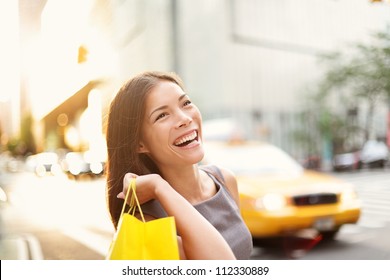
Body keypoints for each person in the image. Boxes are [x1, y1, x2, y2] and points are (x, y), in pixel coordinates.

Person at [105, 71, 253, 260]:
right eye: (162, 115)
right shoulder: (147, 221)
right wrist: (159, 188)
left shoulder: (224, 180)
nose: (185, 118)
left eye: (186, 103)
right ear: (139, 144)